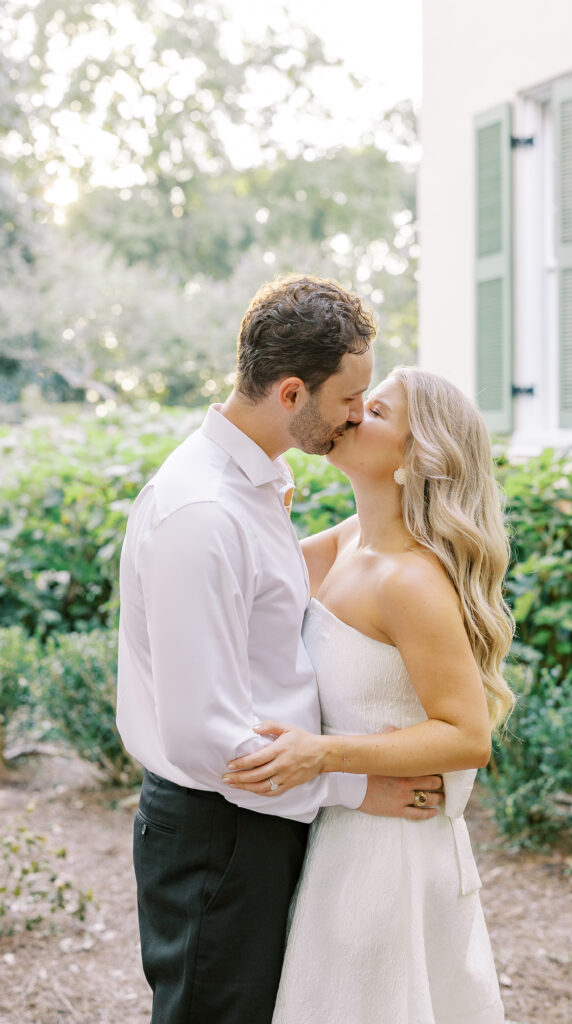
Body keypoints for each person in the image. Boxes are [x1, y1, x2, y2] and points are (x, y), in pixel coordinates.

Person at [116, 276, 444, 1024]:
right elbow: (205, 737)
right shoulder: (204, 512)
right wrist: (357, 787)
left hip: (254, 821)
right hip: (219, 833)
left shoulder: (256, 484)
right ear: (291, 393)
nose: (357, 415)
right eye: (348, 399)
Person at [223, 366, 516, 1024]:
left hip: (390, 855)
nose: (350, 414)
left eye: (375, 412)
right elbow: (240, 584)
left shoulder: (409, 581)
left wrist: (321, 754)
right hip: (339, 831)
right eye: (356, 401)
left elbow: (467, 737)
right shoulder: (345, 543)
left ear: (415, 459)